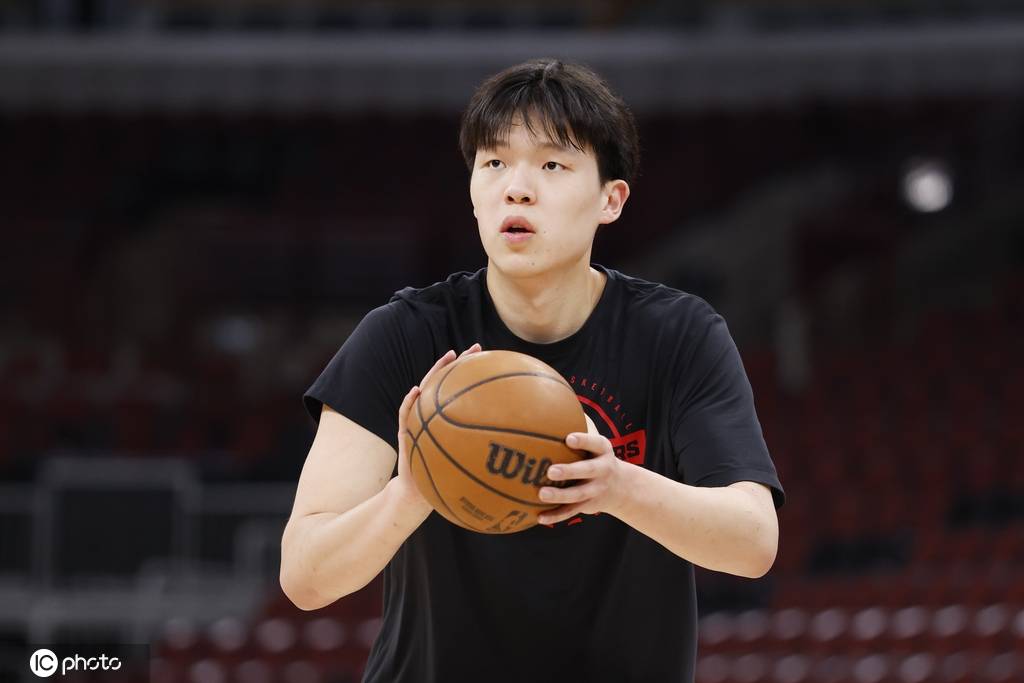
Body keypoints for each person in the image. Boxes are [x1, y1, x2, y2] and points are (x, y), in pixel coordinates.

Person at [281, 58, 784, 683]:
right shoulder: (403, 335)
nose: (516, 188)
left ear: (611, 199)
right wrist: (411, 492)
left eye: (551, 165)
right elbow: (304, 576)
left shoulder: (679, 336)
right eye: (494, 163)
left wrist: (617, 487)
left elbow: (753, 542)